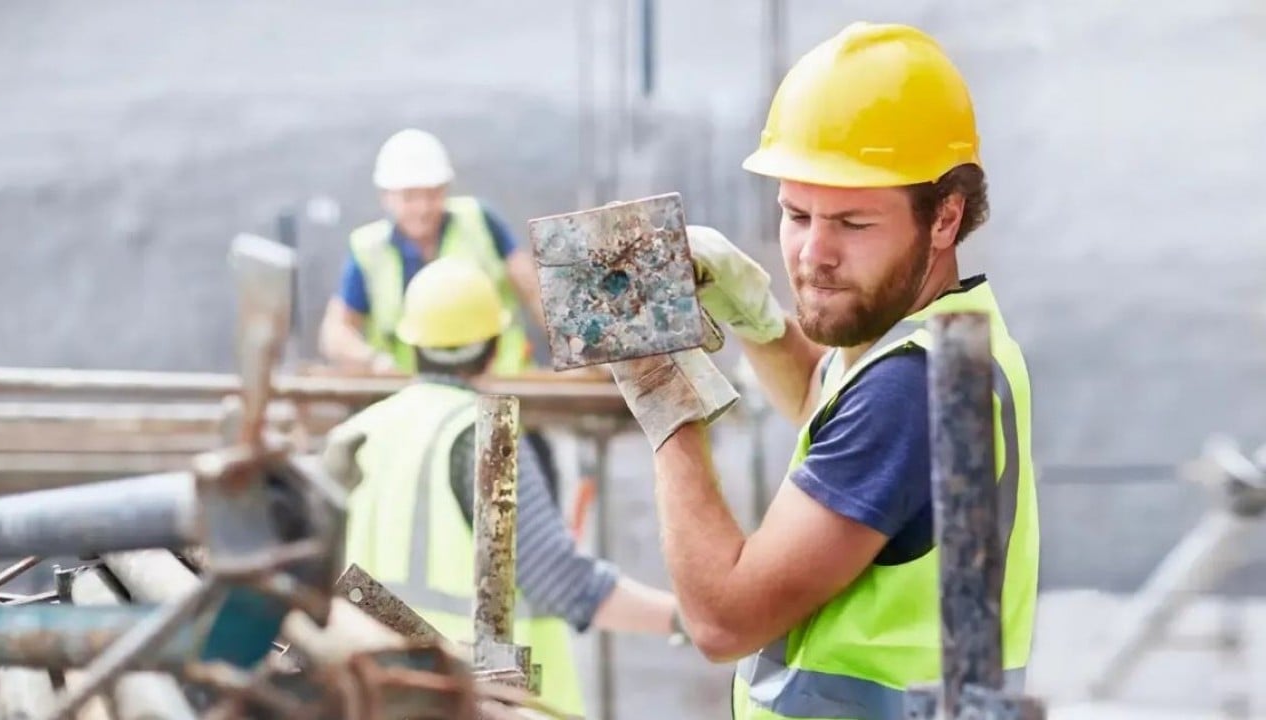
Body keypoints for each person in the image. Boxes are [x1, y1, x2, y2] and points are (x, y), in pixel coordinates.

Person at [605, 22, 1040, 719]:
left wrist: (662, 393)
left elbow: (722, 619)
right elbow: (826, 398)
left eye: (852, 224)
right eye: (796, 214)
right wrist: (757, 319)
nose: (813, 254)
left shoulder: (909, 389)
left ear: (945, 216)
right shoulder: (931, 338)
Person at [339, 256, 683, 717]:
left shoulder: (354, 434)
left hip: (372, 699)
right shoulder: (484, 438)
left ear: (410, 344)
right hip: (474, 703)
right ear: (496, 344)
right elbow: (561, 583)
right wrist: (687, 619)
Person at [318, 127, 546, 376]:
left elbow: (536, 292)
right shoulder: (368, 250)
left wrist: (580, 346)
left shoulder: (480, 223)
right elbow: (336, 332)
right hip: (413, 400)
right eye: (410, 197)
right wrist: (375, 362)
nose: (423, 208)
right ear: (386, 197)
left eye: (432, 194)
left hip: (499, 391)